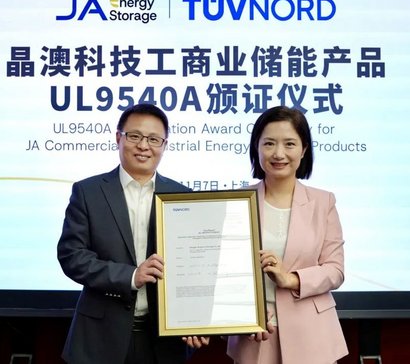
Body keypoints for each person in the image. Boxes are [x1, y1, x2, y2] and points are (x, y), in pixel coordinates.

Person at [57, 104, 208, 364]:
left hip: (163, 341)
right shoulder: (88, 192)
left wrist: (197, 318)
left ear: (164, 145)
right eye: (134, 136)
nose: (143, 146)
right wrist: (131, 276)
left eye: (154, 139)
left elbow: (196, 265)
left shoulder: (181, 196)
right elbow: (72, 257)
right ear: (119, 138)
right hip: (100, 337)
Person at [227, 106, 348, 364]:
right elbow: (224, 272)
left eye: (289, 144)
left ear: (303, 150)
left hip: (312, 334)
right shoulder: (236, 201)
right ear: (256, 148)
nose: (279, 153)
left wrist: (291, 279)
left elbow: (335, 270)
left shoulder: (323, 202)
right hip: (256, 334)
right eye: (269, 143)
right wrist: (240, 313)